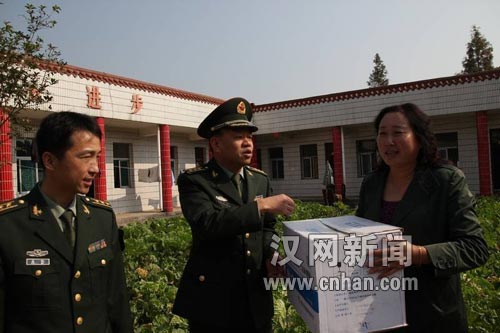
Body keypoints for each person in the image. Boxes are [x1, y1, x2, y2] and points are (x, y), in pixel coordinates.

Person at [356, 103, 489, 333]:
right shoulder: (372, 183)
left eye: (397, 133)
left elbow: (474, 248)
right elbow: (358, 233)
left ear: (419, 138)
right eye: (382, 133)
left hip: (431, 314)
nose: (388, 141)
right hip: (377, 312)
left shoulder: (446, 181)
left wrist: (417, 254)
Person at [0, 111, 133, 333]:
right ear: (50, 161)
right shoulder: (9, 225)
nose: (96, 168)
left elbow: (117, 301)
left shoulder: (102, 217)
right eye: (85, 157)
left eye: (97, 157)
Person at [172, 97, 295, 333]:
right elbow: (207, 223)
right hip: (214, 303)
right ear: (216, 144)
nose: (248, 143)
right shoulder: (195, 181)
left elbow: (267, 228)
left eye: (249, 136)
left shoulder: (260, 179)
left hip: (256, 297)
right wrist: (260, 206)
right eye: (239, 137)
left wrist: (270, 254)